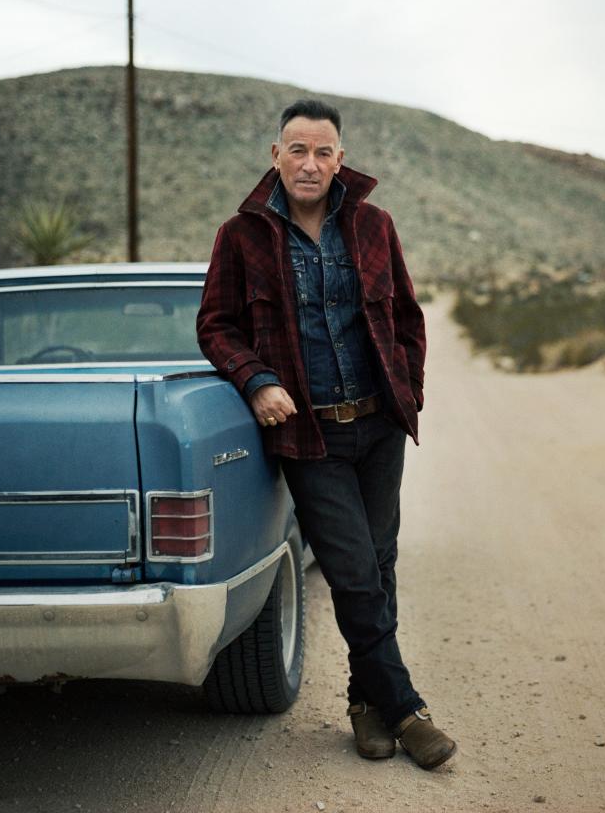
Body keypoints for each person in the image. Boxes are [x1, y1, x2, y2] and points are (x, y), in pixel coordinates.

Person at [196, 99, 456, 770]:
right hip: (310, 436)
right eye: (297, 149)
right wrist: (256, 380)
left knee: (381, 562)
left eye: (323, 152)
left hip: (378, 425)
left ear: (340, 159)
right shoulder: (241, 236)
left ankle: (364, 703)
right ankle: (406, 708)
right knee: (352, 571)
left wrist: (408, 391)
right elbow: (216, 327)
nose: (309, 163)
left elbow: (406, 318)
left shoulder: (373, 226)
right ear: (274, 155)